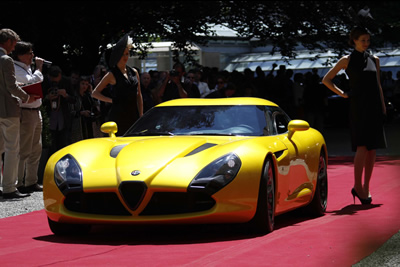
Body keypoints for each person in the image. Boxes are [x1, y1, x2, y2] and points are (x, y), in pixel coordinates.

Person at [322, 26, 387, 205]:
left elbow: (378, 85)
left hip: (374, 107)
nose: (366, 43)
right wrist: (343, 93)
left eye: (368, 40)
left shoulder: (375, 59)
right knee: (362, 146)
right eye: (363, 40)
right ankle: (357, 186)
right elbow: (326, 79)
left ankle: (366, 186)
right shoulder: (346, 60)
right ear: (354, 41)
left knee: (372, 148)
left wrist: (382, 106)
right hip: (358, 106)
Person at [0, 29, 37, 199]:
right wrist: (27, 97)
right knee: (12, 149)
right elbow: (11, 86)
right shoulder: (6, 60)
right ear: (7, 41)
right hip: (8, 110)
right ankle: (9, 188)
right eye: (13, 42)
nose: (15, 46)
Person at [92, 33, 143, 136]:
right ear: (117, 55)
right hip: (118, 115)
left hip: (134, 115)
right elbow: (95, 93)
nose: (125, 57)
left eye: (127, 54)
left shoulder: (134, 72)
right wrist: (111, 100)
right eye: (123, 54)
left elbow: (139, 95)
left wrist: (141, 114)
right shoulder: (111, 74)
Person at [11, 41, 44, 193]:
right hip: (25, 112)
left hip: (36, 111)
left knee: (36, 148)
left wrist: (35, 69)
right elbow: (31, 82)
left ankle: (31, 181)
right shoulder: (15, 68)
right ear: (20, 55)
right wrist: (38, 69)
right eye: (29, 53)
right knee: (24, 149)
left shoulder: (27, 68)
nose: (32, 56)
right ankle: (18, 183)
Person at [42, 65, 76, 155]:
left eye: (57, 81)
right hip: (49, 119)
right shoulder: (43, 81)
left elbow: (74, 99)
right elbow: (37, 100)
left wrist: (66, 95)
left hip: (63, 119)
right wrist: (47, 97)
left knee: (63, 146)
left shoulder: (66, 81)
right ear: (49, 76)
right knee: (49, 147)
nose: (56, 83)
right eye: (53, 81)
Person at [70, 76, 100, 143]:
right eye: (83, 83)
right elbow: (71, 112)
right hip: (79, 125)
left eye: (86, 84)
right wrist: (82, 113)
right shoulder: (74, 96)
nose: (84, 86)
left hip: (89, 124)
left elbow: (96, 107)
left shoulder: (88, 96)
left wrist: (91, 92)